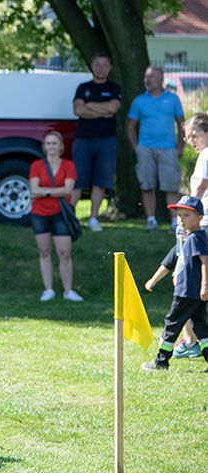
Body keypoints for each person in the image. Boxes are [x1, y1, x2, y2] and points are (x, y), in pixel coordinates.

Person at [143, 196, 208, 372]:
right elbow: (169, 263)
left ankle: (161, 361)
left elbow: (205, 261)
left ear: (200, 217)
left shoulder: (197, 238)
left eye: (186, 215)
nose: (181, 219)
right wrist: (153, 280)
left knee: (172, 323)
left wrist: (205, 285)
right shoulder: (188, 238)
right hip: (192, 292)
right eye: (179, 215)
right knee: (201, 326)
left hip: (187, 292)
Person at [126, 66, 185, 232]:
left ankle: (175, 223)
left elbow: (182, 124)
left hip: (168, 149)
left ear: (161, 79)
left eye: (151, 77)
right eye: (146, 77)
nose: (147, 80)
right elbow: (130, 126)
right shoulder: (139, 101)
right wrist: (136, 147)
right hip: (145, 148)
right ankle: (151, 220)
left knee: (171, 186)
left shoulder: (173, 99)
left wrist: (180, 146)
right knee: (146, 185)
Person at [29, 131, 83, 302]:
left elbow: (68, 190)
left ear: (61, 147)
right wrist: (53, 192)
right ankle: (48, 289)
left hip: (61, 214)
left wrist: (43, 192)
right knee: (44, 252)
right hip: (39, 214)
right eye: (48, 143)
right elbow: (33, 190)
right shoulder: (36, 165)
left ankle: (68, 291)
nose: (51, 146)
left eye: (54, 143)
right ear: (44, 147)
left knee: (64, 252)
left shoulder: (69, 165)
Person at [71, 52, 122, 232]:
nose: (101, 68)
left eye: (105, 65)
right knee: (77, 178)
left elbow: (113, 108)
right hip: (83, 139)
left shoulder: (114, 88)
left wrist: (89, 105)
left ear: (110, 68)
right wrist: (103, 110)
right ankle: (71, 216)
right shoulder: (83, 87)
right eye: (98, 64)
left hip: (107, 140)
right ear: (92, 66)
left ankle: (93, 218)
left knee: (100, 180)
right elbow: (78, 110)